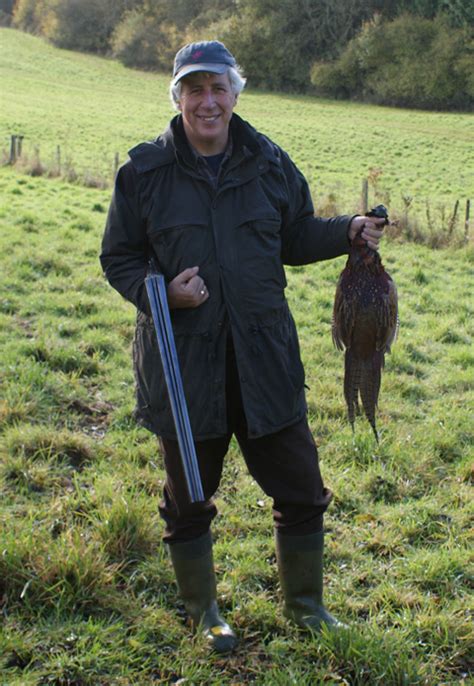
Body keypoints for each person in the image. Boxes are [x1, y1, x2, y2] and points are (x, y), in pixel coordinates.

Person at [100, 40, 386, 654]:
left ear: (235, 93)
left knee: (302, 488)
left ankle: (306, 607)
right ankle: (205, 611)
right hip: (184, 364)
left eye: (217, 88)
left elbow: (295, 234)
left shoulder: (268, 161)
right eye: (193, 89)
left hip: (264, 356)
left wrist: (348, 231)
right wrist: (161, 293)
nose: (207, 101)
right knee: (190, 499)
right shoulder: (144, 172)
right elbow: (117, 257)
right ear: (176, 97)